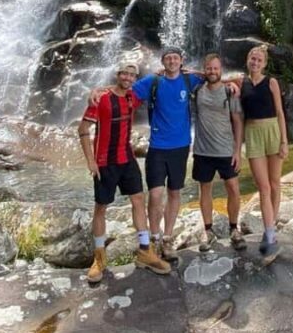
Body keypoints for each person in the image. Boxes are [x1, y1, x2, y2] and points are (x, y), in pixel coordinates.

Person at [78, 63, 171, 281]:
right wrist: (90, 162)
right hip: (104, 162)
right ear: (118, 75)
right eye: (124, 74)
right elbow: (83, 130)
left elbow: (156, 82)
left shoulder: (132, 98)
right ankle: (99, 258)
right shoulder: (100, 98)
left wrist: (161, 72)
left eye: (132, 75)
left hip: (127, 158)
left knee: (139, 199)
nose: (128, 78)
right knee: (101, 207)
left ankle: (145, 251)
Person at [130, 46, 204, 261]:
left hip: (180, 147)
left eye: (175, 58)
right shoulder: (153, 82)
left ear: (181, 61)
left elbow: (212, 76)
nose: (172, 62)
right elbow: (126, 91)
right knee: (155, 194)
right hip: (157, 147)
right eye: (168, 59)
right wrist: (100, 91)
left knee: (174, 192)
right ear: (163, 62)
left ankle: (168, 237)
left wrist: (234, 86)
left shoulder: (190, 80)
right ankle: (154, 237)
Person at [238, 44, 288, 264]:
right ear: (248, 61)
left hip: (273, 131)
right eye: (252, 59)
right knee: (264, 186)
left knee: (275, 183)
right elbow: (214, 77)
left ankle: (270, 230)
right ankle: (269, 232)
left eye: (259, 60)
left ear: (264, 63)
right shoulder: (241, 83)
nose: (255, 62)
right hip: (253, 133)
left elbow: (279, 112)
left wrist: (284, 141)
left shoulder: (272, 83)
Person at [192, 53, 247, 252]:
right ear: (204, 70)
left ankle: (234, 228)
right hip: (202, 150)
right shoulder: (197, 90)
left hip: (225, 149)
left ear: (220, 69)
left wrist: (237, 151)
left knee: (233, 188)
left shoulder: (229, 92)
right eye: (209, 68)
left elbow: (238, 121)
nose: (212, 71)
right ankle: (208, 230)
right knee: (204, 189)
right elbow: (179, 73)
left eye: (215, 68)